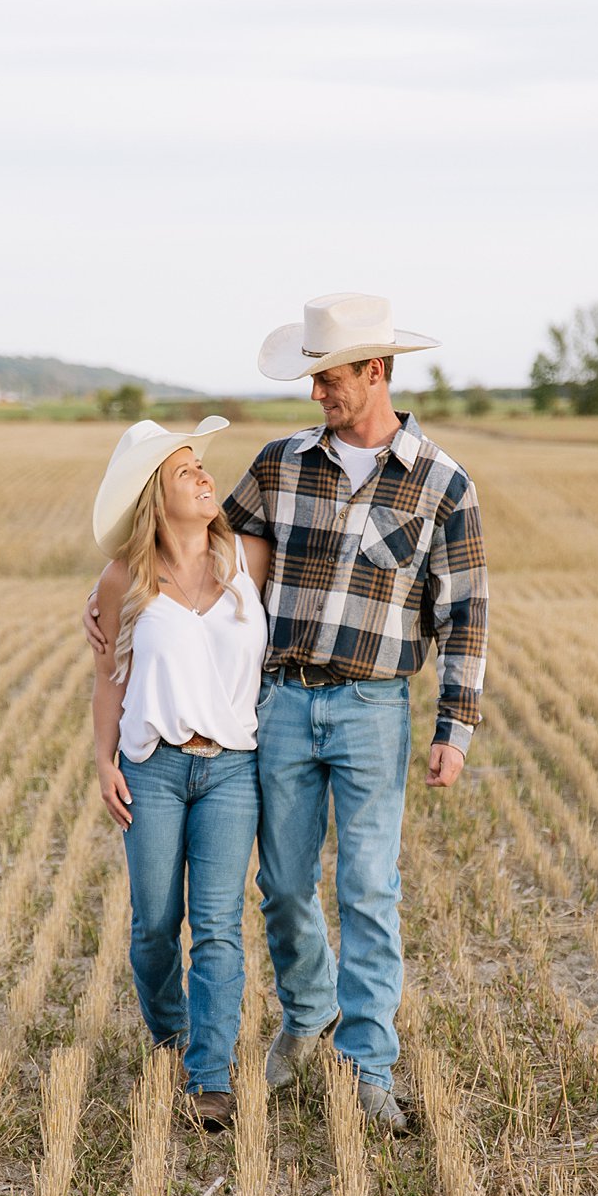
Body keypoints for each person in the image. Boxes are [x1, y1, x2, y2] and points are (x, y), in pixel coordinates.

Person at [90, 293, 489, 1133]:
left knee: (370, 885)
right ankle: (310, 1009)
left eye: (330, 378)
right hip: (280, 706)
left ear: (376, 372)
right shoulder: (280, 466)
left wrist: (455, 727)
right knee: (280, 884)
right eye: (313, 379)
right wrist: (109, 602)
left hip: (374, 706)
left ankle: (368, 1066)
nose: (317, 394)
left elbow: (466, 615)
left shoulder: (444, 486)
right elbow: (183, 543)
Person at [89, 415, 272, 1132]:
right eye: (184, 471)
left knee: (220, 927)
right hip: (154, 768)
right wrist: (103, 760)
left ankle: (208, 1076)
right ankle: (170, 1035)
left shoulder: (248, 560)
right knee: (156, 927)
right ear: (154, 500)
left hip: (232, 769)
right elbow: (108, 677)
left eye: (200, 465)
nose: (204, 477)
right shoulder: (122, 579)